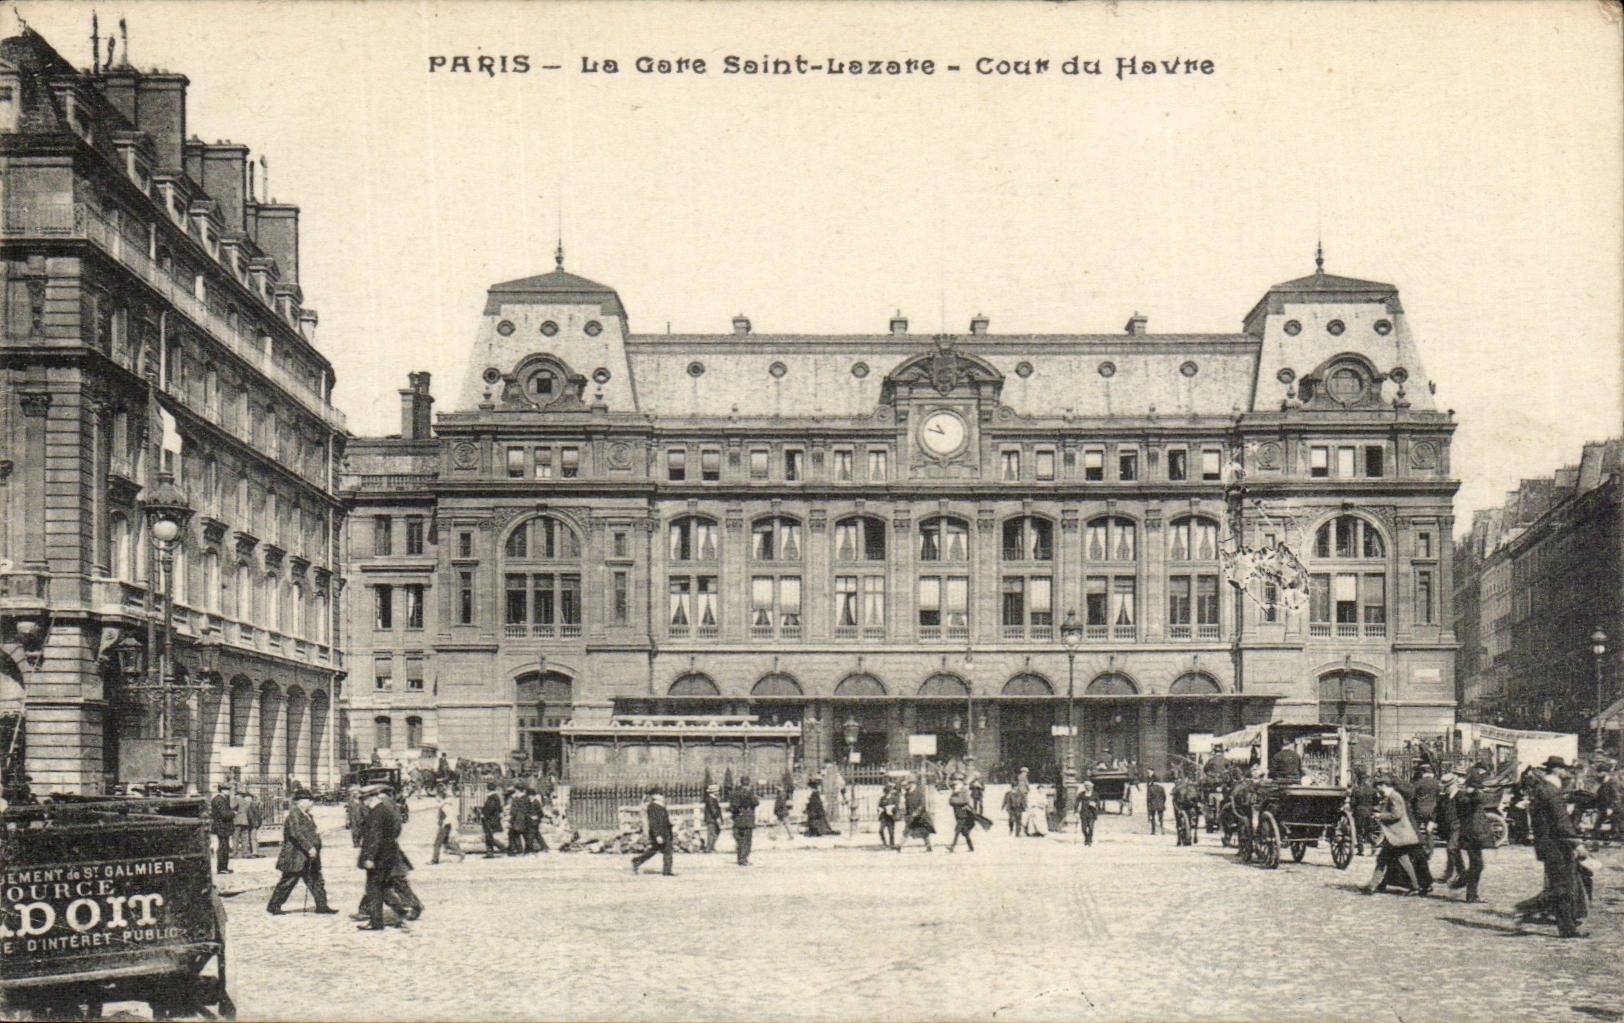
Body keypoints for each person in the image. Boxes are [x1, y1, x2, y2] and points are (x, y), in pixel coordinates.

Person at [1524, 757, 1585, 937]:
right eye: (1563, 769)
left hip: (1546, 845)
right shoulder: (1552, 791)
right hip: (1557, 846)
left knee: (1559, 885)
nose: (1566, 772)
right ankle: (1566, 928)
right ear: (1557, 770)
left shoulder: (1540, 790)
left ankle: (1566, 925)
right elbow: (1561, 821)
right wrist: (1576, 842)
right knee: (1563, 887)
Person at [355, 784, 421, 931]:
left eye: (364, 798)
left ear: (372, 798)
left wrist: (369, 857)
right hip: (387, 856)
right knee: (383, 888)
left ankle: (376, 922)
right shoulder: (384, 811)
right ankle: (400, 910)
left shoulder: (376, 814)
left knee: (373, 889)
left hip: (378, 858)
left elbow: (374, 838)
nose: (363, 802)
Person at [268, 790, 337, 914]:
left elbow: (309, 832)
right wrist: (309, 847)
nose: (311, 803)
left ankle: (322, 906)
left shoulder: (308, 815)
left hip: (309, 857)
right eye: (309, 800)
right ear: (300, 802)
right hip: (296, 855)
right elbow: (296, 834)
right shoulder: (294, 815)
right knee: (288, 882)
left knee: (316, 880)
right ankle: (274, 906)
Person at [1362, 775, 1427, 896]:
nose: (1378, 790)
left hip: (1397, 836)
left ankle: (1373, 887)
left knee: (1391, 860)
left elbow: (1396, 814)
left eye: (1378, 787)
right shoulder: (1391, 796)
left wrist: (1379, 816)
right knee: (1393, 860)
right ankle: (1373, 886)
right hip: (1395, 836)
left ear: (1384, 785)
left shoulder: (1394, 796)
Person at [1449, 765, 1493, 903]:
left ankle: (1471, 894)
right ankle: (1465, 884)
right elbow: (1479, 798)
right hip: (1473, 835)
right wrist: (1474, 790)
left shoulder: (1464, 795)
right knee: (1477, 865)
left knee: (1476, 864)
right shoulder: (1470, 796)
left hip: (1471, 834)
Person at [631, 787, 675, 876]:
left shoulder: (661, 805)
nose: (662, 796)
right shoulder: (653, 806)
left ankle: (637, 860)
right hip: (659, 833)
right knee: (667, 850)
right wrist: (657, 835)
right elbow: (653, 822)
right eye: (660, 794)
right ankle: (667, 871)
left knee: (654, 850)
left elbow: (663, 820)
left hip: (665, 832)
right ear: (655, 796)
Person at [1436, 770, 1463, 886]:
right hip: (1448, 827)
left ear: (1453, 784)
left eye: (1447, 786)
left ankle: (1449, 873)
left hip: (1458, 826)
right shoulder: (1445, 797)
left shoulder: (1460, 796)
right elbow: (1438, 811)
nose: (1445, 789)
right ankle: (1461, 872)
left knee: (1451, 848)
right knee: (1454, 850)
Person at [897, 775, 935, 852]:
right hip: (911, 815)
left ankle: (929, 846)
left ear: (913, 783)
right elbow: (906, 804)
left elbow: (922, 804)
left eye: (908, 784)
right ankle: (899, 846)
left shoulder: (919, 792)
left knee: (924, 832)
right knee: (907, 830)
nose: (907, 785)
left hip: (920, 816)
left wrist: (917, 812)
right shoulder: (907, 793)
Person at [1411, 765, 1440, 856]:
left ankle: (1418, 849)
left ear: (1423, 773)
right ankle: (1430, 851)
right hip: (1431, 811)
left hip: (1419, 810)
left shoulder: (1419, 783)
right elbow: (1438, 796)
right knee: (1429, 831)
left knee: (1416, 830)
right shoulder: (1436, 783)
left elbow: (1412, 794)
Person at [432, 789, 466, 864]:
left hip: (444, 826)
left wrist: (444, 823)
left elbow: (449, 816)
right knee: (446, 843)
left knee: (437, 843)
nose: (436, 798)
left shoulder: (444, 806)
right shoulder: (444, 804)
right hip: (447, 825)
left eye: (437, 796)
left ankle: (435, 859)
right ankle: (460, 853)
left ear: (440, 797)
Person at [1349, 769, 1379, 856]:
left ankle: (1360, 850)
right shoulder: (1372, 790)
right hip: (1369, 811)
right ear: (1366, 779)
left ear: (1358, 779)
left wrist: (1353, 809)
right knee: (1369, 830)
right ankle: (1373, 845)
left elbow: (1352, 803)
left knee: (1358, 831)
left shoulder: (1356, 790)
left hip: (1359, 812)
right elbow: (1376, 802)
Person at [730, 779, 759, 866]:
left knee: (740, 840)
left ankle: (740, 858)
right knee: (747, 840)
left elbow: (732, 806)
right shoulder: (749, 793)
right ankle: (744, 858)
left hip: (738, 818)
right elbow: (756, 802)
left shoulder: (735, 793)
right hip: (747, 818)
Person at [209, 783, 236, 875]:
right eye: (227, 790)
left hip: (221, 827)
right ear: (223, 790)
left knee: (224, 846)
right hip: (222, 827)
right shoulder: (220, 800)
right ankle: (222, 868)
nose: (228, 792)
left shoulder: (219, 799)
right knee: (223, 848)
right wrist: (233, 813)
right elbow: (224, 814)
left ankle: (223, 867)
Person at [1172, 776, 1201, 845]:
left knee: (1178, 819)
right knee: (1196, 813)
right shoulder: (1193, 787)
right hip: (1191, 807)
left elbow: (1174, 800)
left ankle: (1179, 839)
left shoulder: (1177, 787)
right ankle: (1195, 833)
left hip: (1181, 806)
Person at [480, 784, 506, 856]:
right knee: (490, 836)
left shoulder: (491, 798)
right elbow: (500, 809)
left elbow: (489, 808)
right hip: (494, 819)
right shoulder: (496, 798)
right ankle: (501, 848)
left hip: (490, 819)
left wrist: (483, 814)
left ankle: (491, 851)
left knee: (488, 836)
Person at [524, 782, 549, 853]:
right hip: (530, 821)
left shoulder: (536, 802)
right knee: (536, 835)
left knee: (531, 835)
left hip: (535, 822)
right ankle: (544, 847)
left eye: (530, 796)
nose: (529, 797)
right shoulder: (528, 802)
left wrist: (537, 817)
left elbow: (540, 813)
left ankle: (529, 849)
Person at [506, 783, 530, 856]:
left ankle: (518, 850)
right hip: (525, 818)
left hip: (517, 819)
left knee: (514, 834)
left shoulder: (516, 799)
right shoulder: (526, 798)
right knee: (525, 835)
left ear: (517, 790)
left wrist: (510, 820)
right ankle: (528, 850)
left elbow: (514, 811)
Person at [702, 784, 724, 853]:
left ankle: (711, 846)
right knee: (711, 833)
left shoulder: (713, 799)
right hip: (711, 819)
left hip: (713, 818)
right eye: (717, 791)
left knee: (716, 831)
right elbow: (713, 809)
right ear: (713, 792)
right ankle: (708, 848)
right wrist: (717, 817)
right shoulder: (710, 799)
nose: (718, 792)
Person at [232, 787, 252, 860]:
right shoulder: (246, 801)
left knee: (235, 837)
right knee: (244, 838)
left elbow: (232, 807)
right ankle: (245, 853)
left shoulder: (237, 799)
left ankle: (235, 853)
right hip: (245, 820)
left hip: (237, 820)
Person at [877, 781, 899, 849]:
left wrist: (891, 809)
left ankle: (892, 844)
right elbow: (879, 806)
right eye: (886, 792)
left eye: (888, 792)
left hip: (890, 817)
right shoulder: (882, 798)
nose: (887, 793)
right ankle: (884, 843)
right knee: (880, 830)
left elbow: (897, 807)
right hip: (883, 816)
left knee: (891, 832)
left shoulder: (894, 798)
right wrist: (880, 809)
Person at [1076, 780, 1097, 846]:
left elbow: (1098, 803)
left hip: (1092, 813)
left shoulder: (1095, 794)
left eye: (1089, 786)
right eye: (1086, 786)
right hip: (1084, 813)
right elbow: (1077, 802)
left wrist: (1094, 804)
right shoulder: (1082, 794)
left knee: (1091, 828)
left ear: (1091, 787)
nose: (1088, 787)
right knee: (1084, 828)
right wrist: (1076, 811)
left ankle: (1089, 840)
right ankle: (1086, 838)